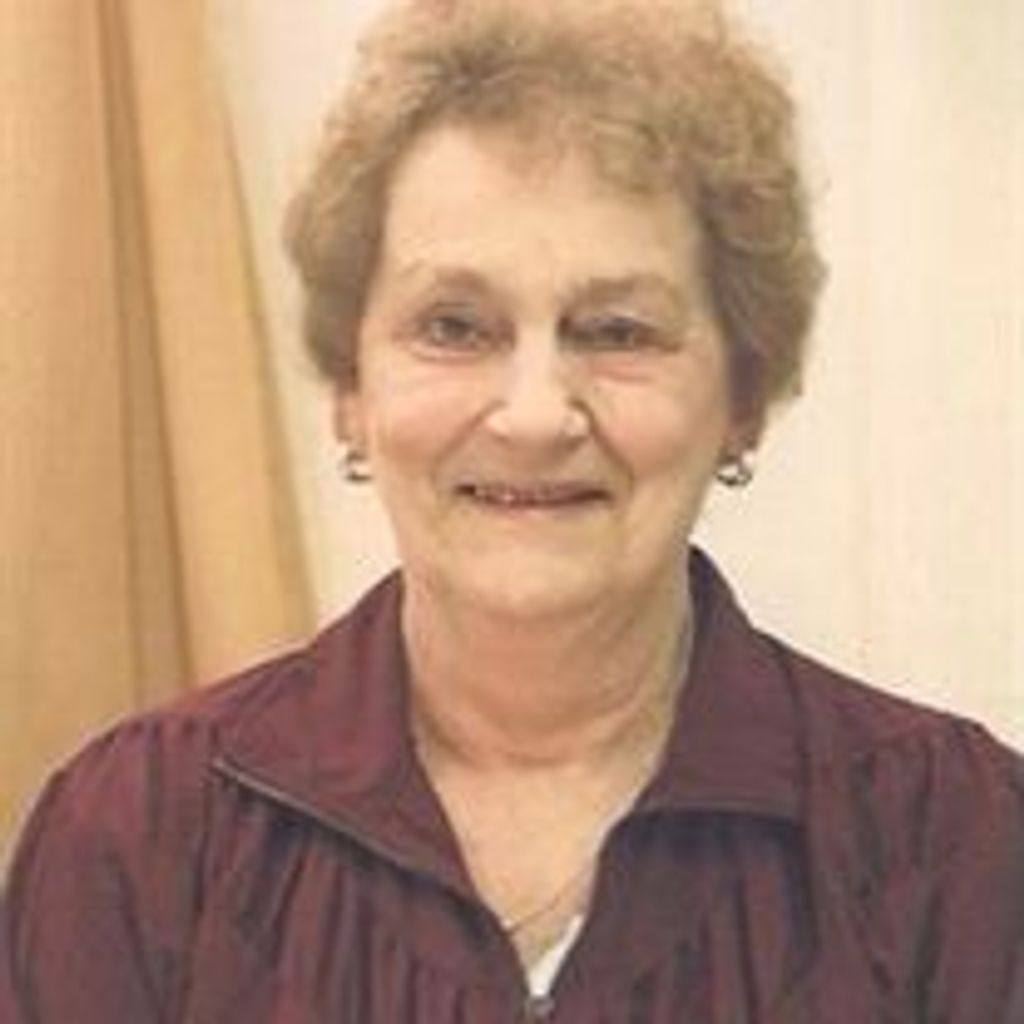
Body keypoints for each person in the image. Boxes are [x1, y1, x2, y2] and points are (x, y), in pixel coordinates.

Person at [2, 0, 1022, 1020]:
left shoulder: (960, 844)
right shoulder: (137, 840)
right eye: (454, 326)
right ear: (351, 388)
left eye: (617, 331)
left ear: (742, 398)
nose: (534, 415)